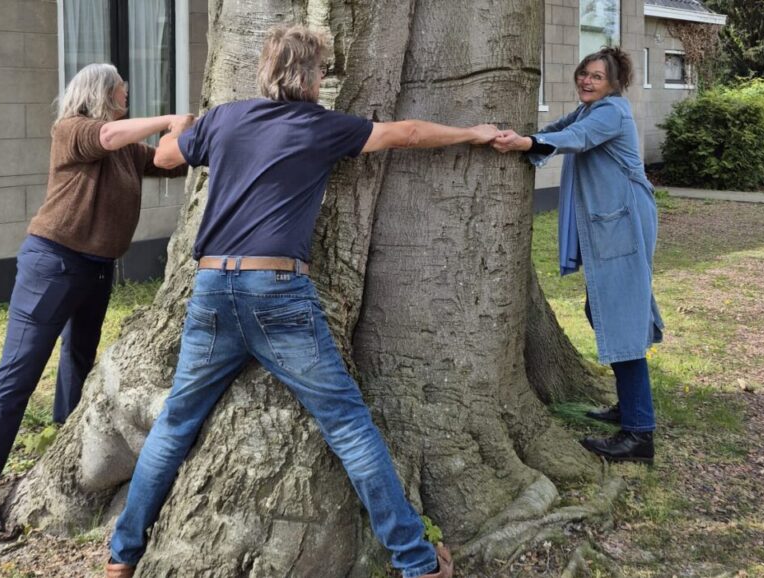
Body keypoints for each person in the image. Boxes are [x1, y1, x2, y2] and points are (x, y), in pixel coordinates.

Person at [104, 24, 498, 578]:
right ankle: (417, 561)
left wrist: (192, 125)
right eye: (321, 70)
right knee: (347, 424)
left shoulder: (225, 118)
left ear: (265, 71)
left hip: (214, 287)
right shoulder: (321, 126)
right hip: (278, 293)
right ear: (311, 76)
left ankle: (122, 558)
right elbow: (406, 132)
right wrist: (474, 134)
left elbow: (167, 156)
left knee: (175, 423)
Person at [0, 63, 193, 537]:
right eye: (122, 90)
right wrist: (167, 120)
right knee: (18, 370)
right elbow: (108, 136)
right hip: (52, 263)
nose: (127, 95)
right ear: (101, 94)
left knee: (79, 362)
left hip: (95, 269)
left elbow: (166, 161)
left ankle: (67, 441)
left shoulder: (124, 152)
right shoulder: (72, 131)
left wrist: (201, 134)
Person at [492, 47, 663, 463]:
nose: (587, 81)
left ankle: (639, 435)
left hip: (623, 220)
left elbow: (574, 140)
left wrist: (529, 143)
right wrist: (523, 139)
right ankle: (629, 405)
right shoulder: (591, 109)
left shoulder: (611, 113)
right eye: (584, 73)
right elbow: (560, 127)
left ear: (614, 83)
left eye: (597, 77)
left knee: (621, 318)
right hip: (612, 219)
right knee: (601, 309)